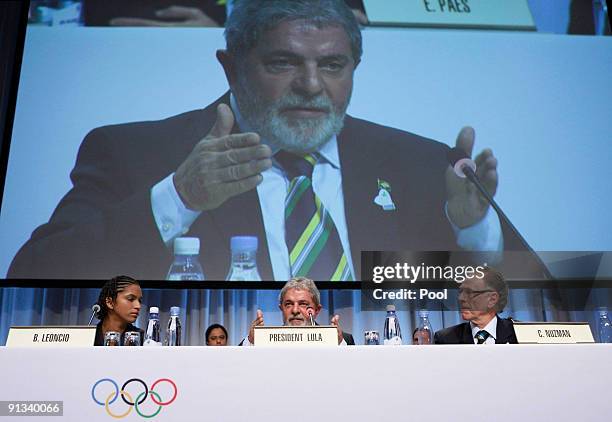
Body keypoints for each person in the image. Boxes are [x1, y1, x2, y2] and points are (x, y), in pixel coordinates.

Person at [9, 0, 513, 282]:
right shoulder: (137, 153)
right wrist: (179, 197)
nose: (312, 86)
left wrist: (473, 231)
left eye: (332, 66)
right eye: (283, 63)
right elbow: (34, 278)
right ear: (231, 67)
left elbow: (548, 304)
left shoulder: (422, 165)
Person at [240, 277, 355, 345]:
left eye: (303, 304)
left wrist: (339, 343)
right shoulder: (264, 339)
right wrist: (251, 341)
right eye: (289, 304)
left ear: (317, 309)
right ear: (281, 308)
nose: (295, 310)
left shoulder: (341, 339)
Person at [434, 267, 517, 344]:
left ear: (492, 299)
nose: (461, 298)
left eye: (469, 292)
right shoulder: (445, 338)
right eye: (461, 292)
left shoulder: (519, 332)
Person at [94, 275, 144, 346]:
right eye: (130, 299)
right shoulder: (89, 336)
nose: (138, 306)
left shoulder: (141, 338)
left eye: (140, 301)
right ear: (110, 303)